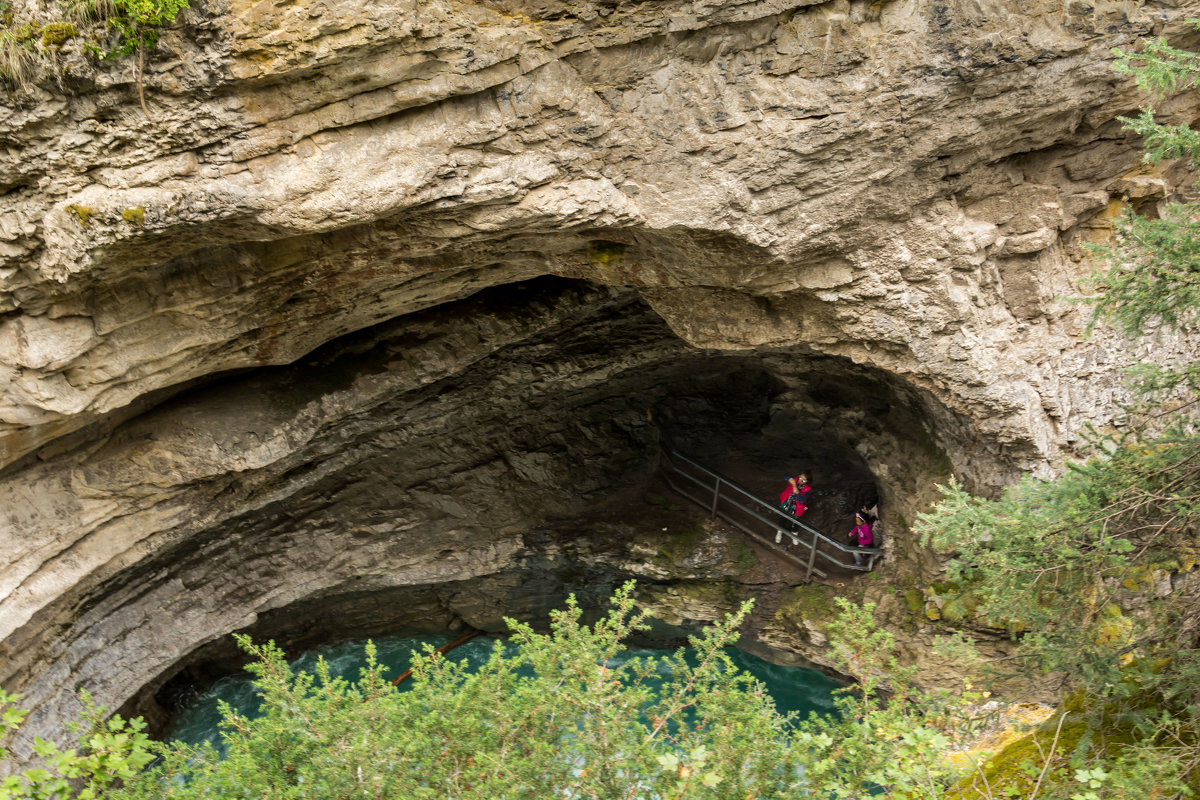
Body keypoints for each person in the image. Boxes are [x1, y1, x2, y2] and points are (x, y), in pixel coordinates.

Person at [776, 473, 812, 544]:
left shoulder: (808, 489)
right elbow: (783, 475)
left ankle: (794, 534)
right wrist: (788, 478)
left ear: (807, 481)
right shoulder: (795, 479)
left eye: (804, 480)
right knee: (783, 518)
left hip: (798, 506)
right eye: (800, 478)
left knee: (796, 521)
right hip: (788, 502)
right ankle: (779, 532)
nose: (801, 481)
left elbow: (802, 500)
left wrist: (796, 490)